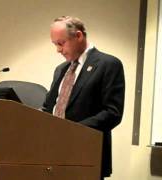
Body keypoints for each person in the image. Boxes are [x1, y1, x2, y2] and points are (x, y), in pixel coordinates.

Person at [42, 16, 125, 179]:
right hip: (53, 156)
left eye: (61, 43)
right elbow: (48, 107)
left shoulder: (108, 64)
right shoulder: (61, 69)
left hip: (87, 156)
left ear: (78, 36)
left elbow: (112, 113)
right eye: (55, 45)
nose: (58, 50)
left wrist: (72, 132)